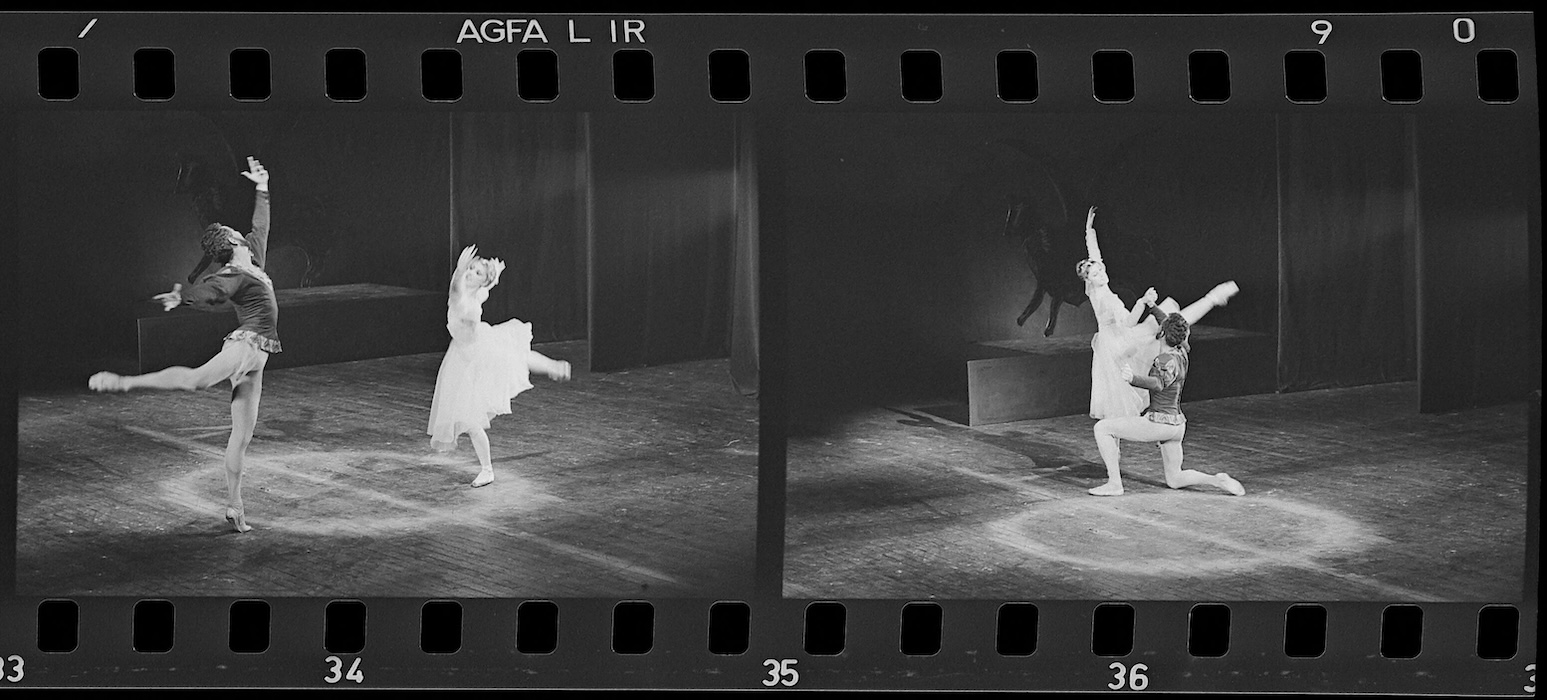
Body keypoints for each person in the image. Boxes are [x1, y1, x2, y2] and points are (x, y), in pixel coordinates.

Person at [88, 156, 276, 533]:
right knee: (196, 380)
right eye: (235, 230)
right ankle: (125, 382)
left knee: (242, 436)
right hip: (246, 347)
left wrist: (262, 186)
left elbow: (262, 223)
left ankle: (235, 506)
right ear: (233, 241)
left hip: (259, 357)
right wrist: (183, 298)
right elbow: (211, 292)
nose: (243, 231)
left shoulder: (252, 255)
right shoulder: (234, 274)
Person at [428, 244, 572, 487]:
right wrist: (490, 272)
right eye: (471, 269)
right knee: (471, 420)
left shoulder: (466, 300)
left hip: (477, 353)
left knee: (515, 357)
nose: (470, 272)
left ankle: (553, 367)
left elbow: (456, 292)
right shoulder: (475, 292)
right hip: (463, 356)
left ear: (481, 282)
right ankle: (487, 469)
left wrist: (461, 269)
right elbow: (476, 288)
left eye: (476, 273)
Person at [1078, 206, 1240, 419]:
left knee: (1169, 321)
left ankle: (1213, 299)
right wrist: (1143, 302)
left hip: (1112, 340)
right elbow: (1128, 322)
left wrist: (1089, 231)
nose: (1102, 274)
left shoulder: (1092, 288)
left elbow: (1095, 255)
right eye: (1097, 274)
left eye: (1101, 270)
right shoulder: (1106, 299)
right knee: (1171, 321)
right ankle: (1213, 298)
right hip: (1122, 342)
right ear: (1089, 280)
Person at [1087, 309, 1246, 497]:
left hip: (1159, 423)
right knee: (1175, 479)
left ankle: (1114, 483)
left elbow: (1158, 384)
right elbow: (1172, 325)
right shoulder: (1182, 352)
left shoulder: (1164, 360)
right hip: (1177, 426)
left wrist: (1133, 378)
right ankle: (1216, 480)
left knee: (1103, 428)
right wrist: (1153, 307)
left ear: (1162, 333)